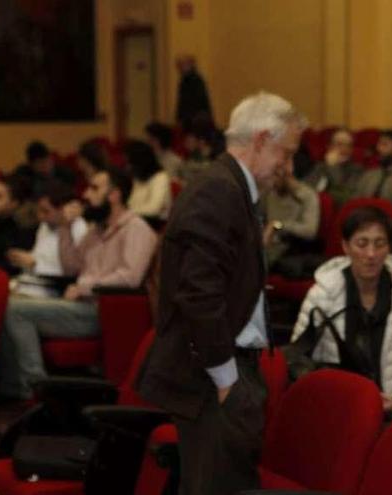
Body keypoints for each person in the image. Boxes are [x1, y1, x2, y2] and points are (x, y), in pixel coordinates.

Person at [137, 92, 305, 494]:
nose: (288, 166)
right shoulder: (220, 190)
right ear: (262, 140)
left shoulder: (228, 185)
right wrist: (227, 379)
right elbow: (198, 293)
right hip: (215, 375)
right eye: (286, 153)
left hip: (221, 369)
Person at [0, 167, 156, 399]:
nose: (86, 195)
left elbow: (130, 277)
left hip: (105, 311)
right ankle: (14, 387)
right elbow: (72, 266)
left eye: (94, 188)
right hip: (83, 306)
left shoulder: (136, 229)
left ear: (115, 195)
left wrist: (84, 287)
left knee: (16, 311)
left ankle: (35, 389)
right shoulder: (97, 230)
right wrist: (65, 226)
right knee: (5, 306)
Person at [291, 207, 392, 416]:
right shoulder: (322, 293)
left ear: (389, 248)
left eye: (379, 244)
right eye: (362, 244)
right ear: (345, 246)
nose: (371, 254)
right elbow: (297, 358)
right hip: (336, 410)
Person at [7, 181, 88, 297]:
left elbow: (72, 273)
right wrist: (24, 259)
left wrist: (34, 264)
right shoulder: (44, 226)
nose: (40, 216)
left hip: (56, 291)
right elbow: (39, 257)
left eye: (46, 211)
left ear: (62, 209)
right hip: (33, 284)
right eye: (39, 211)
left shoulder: (78, 228)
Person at [261, 156, 321, 277]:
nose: (271, 183)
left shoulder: (306, 195)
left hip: (292, 249)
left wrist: (279, 225)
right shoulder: (270, 192)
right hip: (269, 246)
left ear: (286, 175)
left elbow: (310, 230)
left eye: (274, 177)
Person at [303, 128, 364, 206]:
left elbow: (345, 197)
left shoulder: (357, 170)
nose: (344, 149)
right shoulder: (320, 166)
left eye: (348, 145)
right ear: (329, 146)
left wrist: (332, 167)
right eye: (339, 144)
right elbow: (305, 189)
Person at [125, 140, 172, 221]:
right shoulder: (138, 176)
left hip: (156, 221)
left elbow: (154, 209)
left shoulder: (160, 177)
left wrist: (126, 212)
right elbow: (132, 202)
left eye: (130, 162)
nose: (128, 166)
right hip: (138, 218)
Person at [175, 55, 214, 129]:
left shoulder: (194, 80)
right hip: (193, 119)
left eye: (182, 65)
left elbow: (194, 101)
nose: (179, 68)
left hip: (195, 120)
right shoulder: (186, 80)